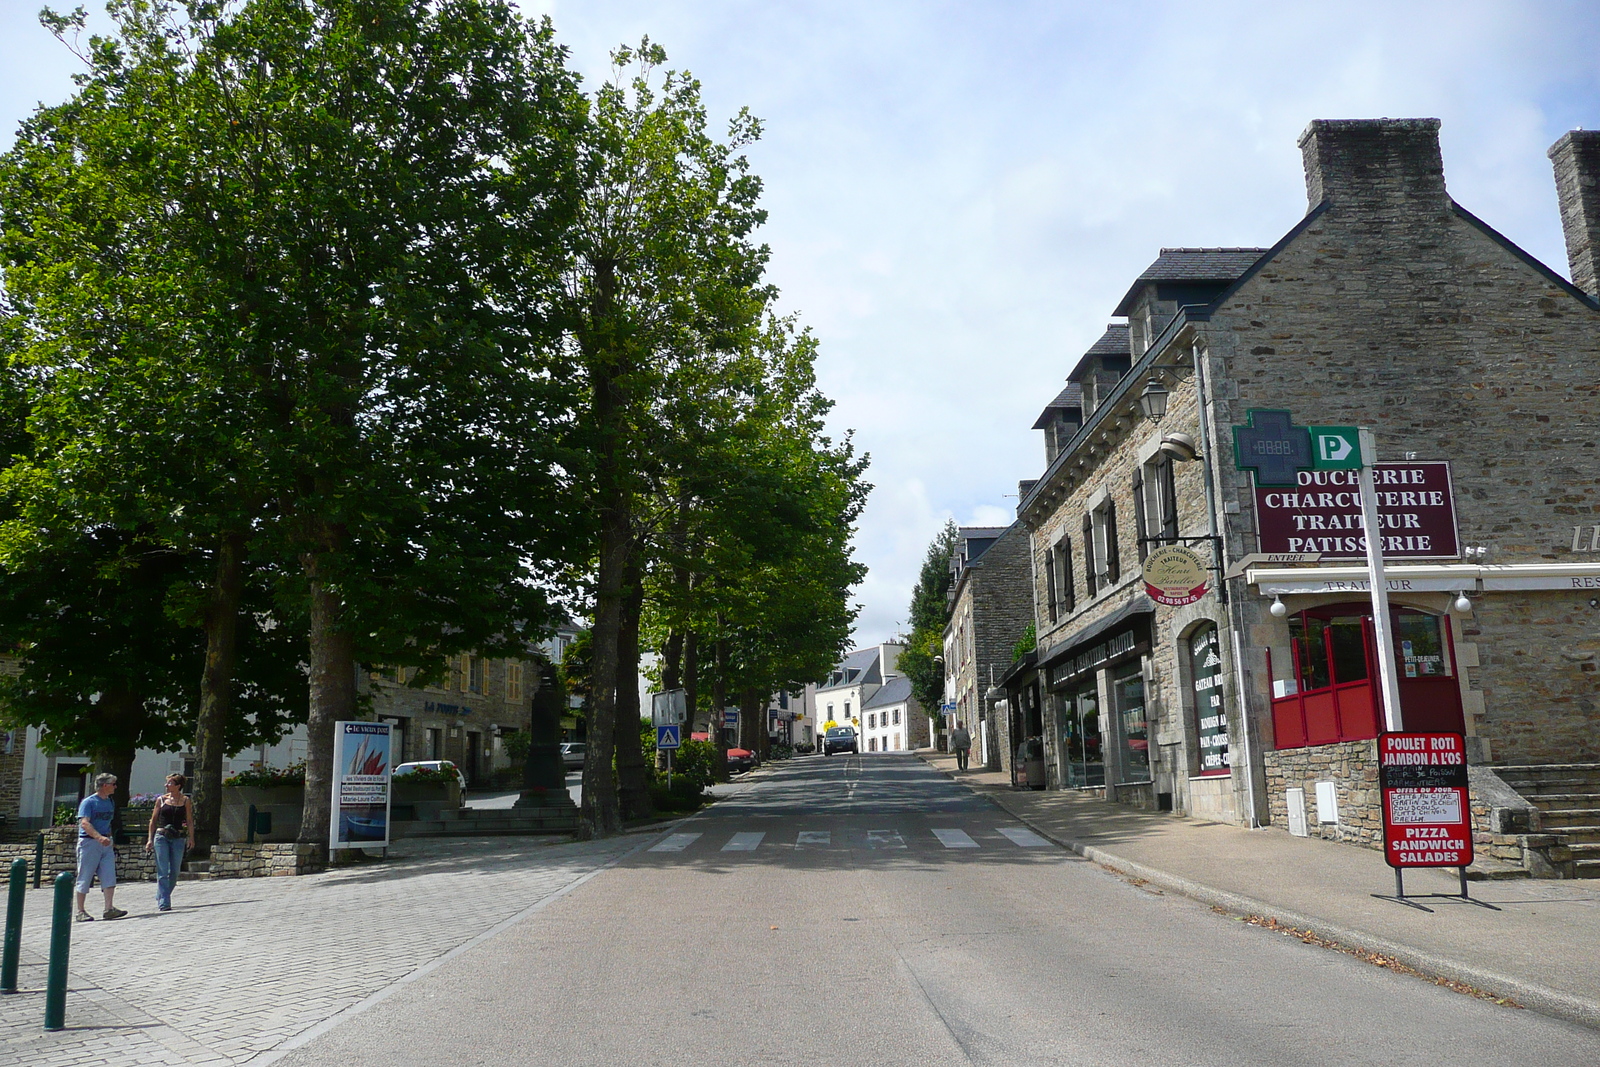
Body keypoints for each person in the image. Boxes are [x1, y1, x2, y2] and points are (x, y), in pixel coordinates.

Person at [75, 773, 127, 922]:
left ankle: (109, 908)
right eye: (113, 784)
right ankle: (80, 911)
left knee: (109, 875)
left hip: (106, 843)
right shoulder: (89, 802)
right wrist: (98, 837)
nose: (115, 787)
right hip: (89, 843)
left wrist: (109, 839)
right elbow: (84, 823)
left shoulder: (110, 802)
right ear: (105, 785)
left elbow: (107, 822)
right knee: (85, 875)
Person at [146, 773, 194, 912]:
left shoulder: (185, 800)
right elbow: (153, 821)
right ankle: (164, 903)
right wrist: (150, 839)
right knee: (163, 871)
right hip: (161, 836)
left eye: (170, 783)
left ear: (178, 786)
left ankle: (161, 894)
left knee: (174, 871)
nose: (166, 786)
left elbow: (189, 821)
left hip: (177, 837)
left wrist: (191, 838)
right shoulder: (161, 800)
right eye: (166, 783)